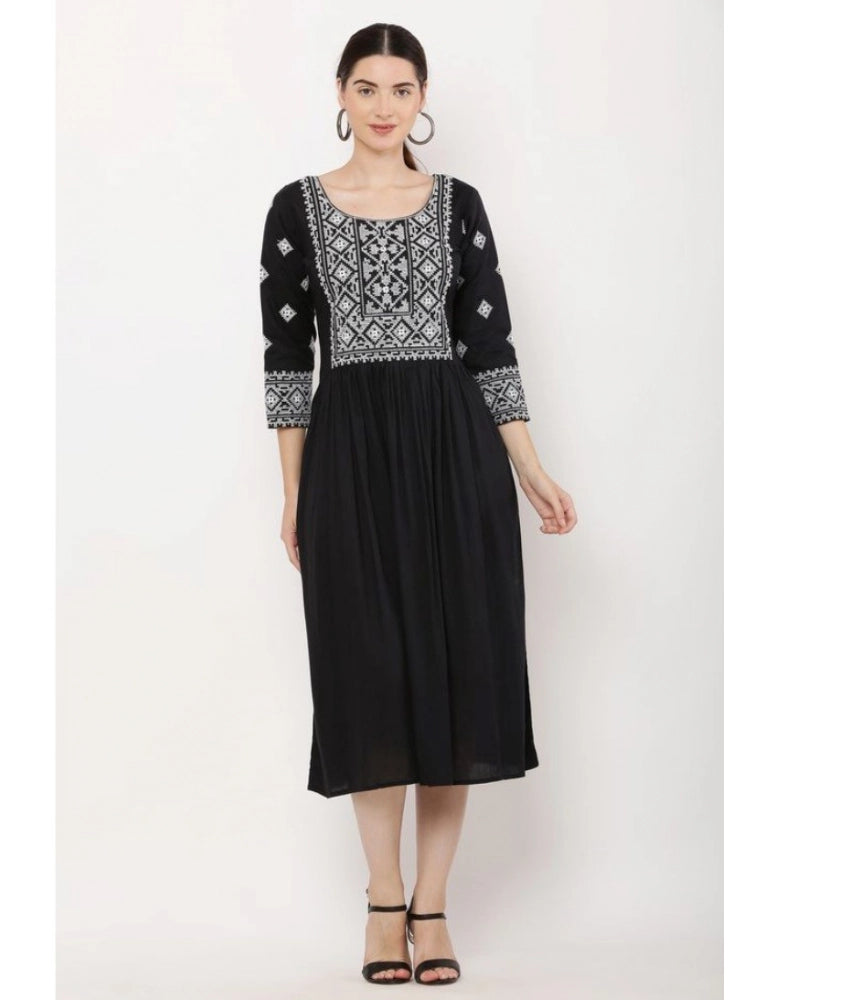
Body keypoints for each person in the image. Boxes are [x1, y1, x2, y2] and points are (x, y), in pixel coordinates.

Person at [258, 22, 577, 987]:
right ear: (341, 94)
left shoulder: (458, 205)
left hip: (454, 455)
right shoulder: (296, 208)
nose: (385, 106)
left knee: (455, 672)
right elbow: (286, 360)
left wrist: (529, 468)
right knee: (366, 675)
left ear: (422, 98)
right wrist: (293, 494)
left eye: (402, 89)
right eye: (367, 87)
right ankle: (382, 898)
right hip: (350, 456)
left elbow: (490, 344)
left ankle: (432, 906)